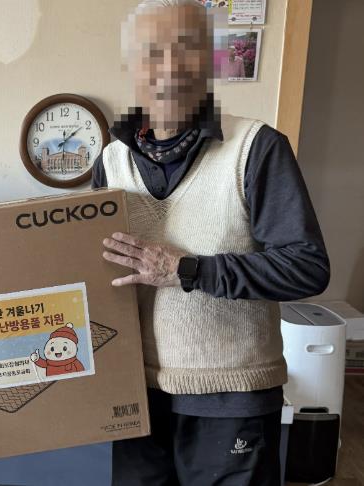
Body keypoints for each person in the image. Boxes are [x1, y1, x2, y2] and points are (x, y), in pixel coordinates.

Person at [93, 1, 330, 484]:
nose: (169, 68)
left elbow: (307, 267)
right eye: (151, 52)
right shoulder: (110, 161)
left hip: (232, 399)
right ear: (131, 66)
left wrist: (189, 270)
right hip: (135, 397)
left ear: (211, 61)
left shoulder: (256, 148)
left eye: (186, 49)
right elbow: (96, 274)